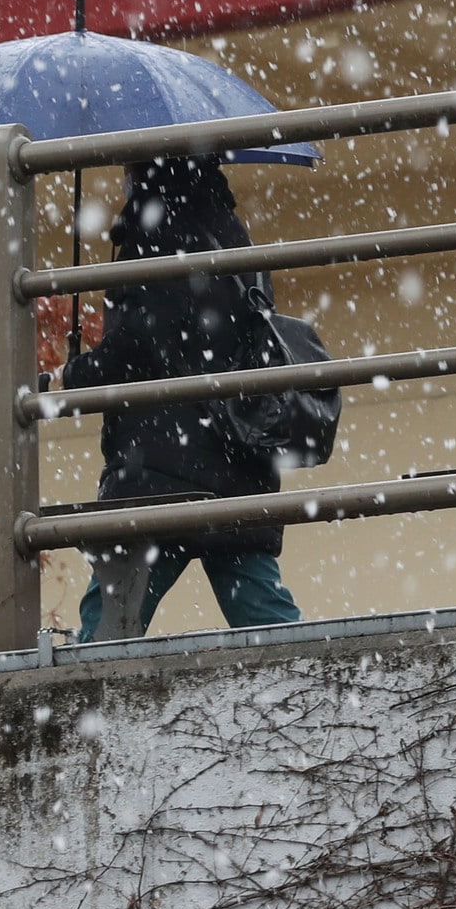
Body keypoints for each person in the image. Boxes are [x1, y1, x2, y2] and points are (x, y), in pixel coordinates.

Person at [63, 155, 302, 639]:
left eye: (128, 165)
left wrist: (73, 373)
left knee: (111, 618)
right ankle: (320, 695)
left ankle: (81, 707)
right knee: (265, 614)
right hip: (236, 460)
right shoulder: (230, 232)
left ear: (145, 168)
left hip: (159, 466)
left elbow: (137, 346)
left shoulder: (153, 233)